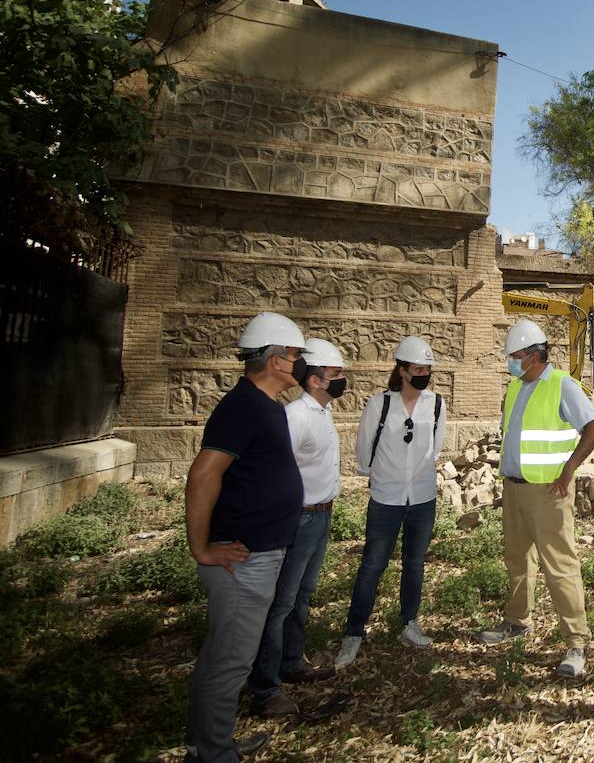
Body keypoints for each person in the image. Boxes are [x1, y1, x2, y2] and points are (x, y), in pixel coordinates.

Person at [184, 312, 309, 761]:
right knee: (231, 661)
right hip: (242, 558)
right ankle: (214, 755)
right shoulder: (244, 407)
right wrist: (200, 548)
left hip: (258, 553)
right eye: (295, 355)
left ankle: (209, 744)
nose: (300, 364)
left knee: (224, 655)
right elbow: (203, 476)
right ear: (276, 361)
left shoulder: (261, 406)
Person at [477, 319, 594, 679]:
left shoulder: (561, 385)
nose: (511, 362)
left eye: (516, 356)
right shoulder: (518, 387)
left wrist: (568, 471)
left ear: (534, 355)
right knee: (517, 559)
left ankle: (577, 642)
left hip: (548, 493)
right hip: (515, 488)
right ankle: (517, 622)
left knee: (560, 566)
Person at [246, 337, 347, 717]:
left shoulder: (322, 412)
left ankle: (292, 663)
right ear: (316, 380)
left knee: (301, 595)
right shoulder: (297, 416)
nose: (341, 381)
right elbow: (273, 471)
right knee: (281, 602)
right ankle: (265, 686)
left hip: (321, 515)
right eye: (336, 375)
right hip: (300, 516)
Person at [335, 335, 446, 667]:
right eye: (417, 368)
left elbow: (435, 449)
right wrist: (380, 475)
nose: (424, 374)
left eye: (428, 368)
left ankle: (409, 623)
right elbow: (364, 447)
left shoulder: (437, 404)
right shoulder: (379, 404)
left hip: (423, 498)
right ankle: (354, 632)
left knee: (414, 564)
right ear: (401, 370)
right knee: (372, 565)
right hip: (386, 498)